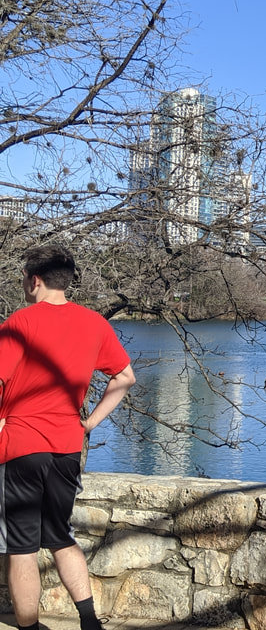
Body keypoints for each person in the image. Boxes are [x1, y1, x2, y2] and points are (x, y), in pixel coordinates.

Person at [0, 246, 136, 630]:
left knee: (21, 548)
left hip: (21, 446)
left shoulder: (20, 323)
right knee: (61, 537)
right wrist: (88, 423)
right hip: (66, 447)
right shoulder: (93, 323)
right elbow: (125, 377)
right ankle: (90, 623)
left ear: (34, 280)